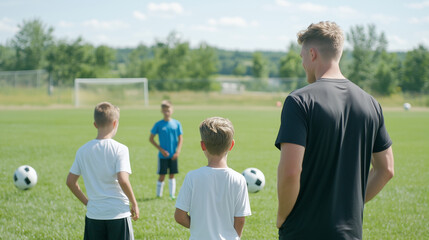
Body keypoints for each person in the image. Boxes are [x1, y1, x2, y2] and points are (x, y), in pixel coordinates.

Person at [275, 21, 394, 239]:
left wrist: (282, 216)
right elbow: (386, 169)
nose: (303, 64)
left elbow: (291, 172)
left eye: (302, 57)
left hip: (303, 231)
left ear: (312, 54)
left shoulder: (299, 101)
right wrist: (351, 202)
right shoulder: (371, 103)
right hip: (350, 232)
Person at [66, 101, 139, 240]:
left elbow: (70, 182)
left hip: (94, 215)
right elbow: (123, 180)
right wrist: (134, 202)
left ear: (95, 124)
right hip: (118, 214)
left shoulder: (83, 150)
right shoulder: (120, 149)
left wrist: (88, 202)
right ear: (115, 123)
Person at [175, 117, 251, 240]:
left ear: (202, 145)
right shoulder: (239, 179)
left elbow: (179, 216)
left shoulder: (192, 177)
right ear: (231, 145)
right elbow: (240, 219)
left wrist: (200, 228)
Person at [149, 100, 183, 199]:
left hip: (173, 155)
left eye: (168, 110)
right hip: (162, 156)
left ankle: (172, 195)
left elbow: (180, 138)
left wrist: (178, 151)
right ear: (161, 111)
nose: (166, 112)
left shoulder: (177, 123)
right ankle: (158, 195)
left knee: (172, 175)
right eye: (164, 110)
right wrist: (161, 150)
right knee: (162, 175)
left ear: (172, 110)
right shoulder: (158, 124)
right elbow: (151, 139)